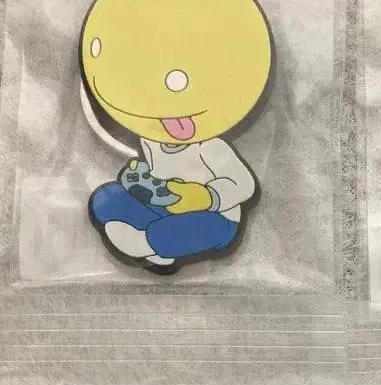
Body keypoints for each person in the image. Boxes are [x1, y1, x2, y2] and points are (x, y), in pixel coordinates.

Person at [79, 0, 273, 270]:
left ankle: (150, 243)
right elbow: (158, 173)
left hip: (216, 217)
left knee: (189, 229)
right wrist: (142, 176)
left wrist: (207, 196)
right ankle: (158, 241)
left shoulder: (210, 147)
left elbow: (244, 186)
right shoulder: (150, 137)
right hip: (165, 207)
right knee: (104, 200)